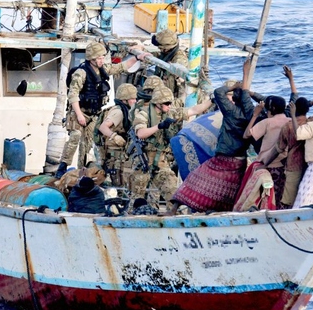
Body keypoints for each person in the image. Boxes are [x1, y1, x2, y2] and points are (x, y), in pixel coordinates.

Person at [168, 57, 255, 214]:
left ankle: (175, 210)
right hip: (239, 161)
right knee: (229, 191)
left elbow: (218, 92)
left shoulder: (231, 113)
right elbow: (246, 95)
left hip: (223, 159)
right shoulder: (250, 112)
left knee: (194, 181)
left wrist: (236, 83)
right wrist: (246, 74)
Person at [56, 42, 147, 178]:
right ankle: (62, 166)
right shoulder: (81, 73)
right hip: (79, 111)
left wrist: (137, 58)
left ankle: (82, 170)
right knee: (75, 136)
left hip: (94, 113)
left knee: (87, 143)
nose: (101, 60)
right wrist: (80, 115)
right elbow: (73, 95)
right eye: (98, 58)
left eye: (102, 57)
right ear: (91, 59)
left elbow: (121, 67)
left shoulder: (103, 69)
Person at [128, 85, 213, 208]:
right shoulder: (143, 114)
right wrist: (159, 126)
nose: (169, 106)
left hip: (160, 161)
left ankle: (174, 216)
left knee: (174, 193)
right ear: (158, 103)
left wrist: (212, 101)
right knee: (136, 199)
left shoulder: (170, 112)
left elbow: (193, 110)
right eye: (167, 103)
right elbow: (141, 133)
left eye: (170, 103)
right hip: (142, 161)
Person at [239, 95, 289, 208]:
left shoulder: (267, 122)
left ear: (272, 109)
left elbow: (246, 135)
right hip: (285, 166)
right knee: (281, 197)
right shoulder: (290, 121)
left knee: (266, 197)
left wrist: (255, 115)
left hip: (267, 166)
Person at [96, 83, 138, 187]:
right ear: (124, 100)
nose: (135, 101)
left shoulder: (126, 110)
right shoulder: (118, 112)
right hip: (113, 154)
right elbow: (103, 127)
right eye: (132, 99)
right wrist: (115, 136)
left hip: (119, 153)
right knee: (118, 183)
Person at [276, 96, 311, 209]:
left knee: (288, 200)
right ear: (307, 110)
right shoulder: (312, 123)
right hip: (310, 164)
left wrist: (264, 162)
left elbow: (279, 148)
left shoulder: (287, 126)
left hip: (293, 164)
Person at [149, 29, 188, 106]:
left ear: (165, 48)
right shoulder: (167, 55)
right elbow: (158, 56)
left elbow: (182, 88)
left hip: (171, 101)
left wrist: (177, 106)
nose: (159, 50)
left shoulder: (179, 61)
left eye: (160, 48)